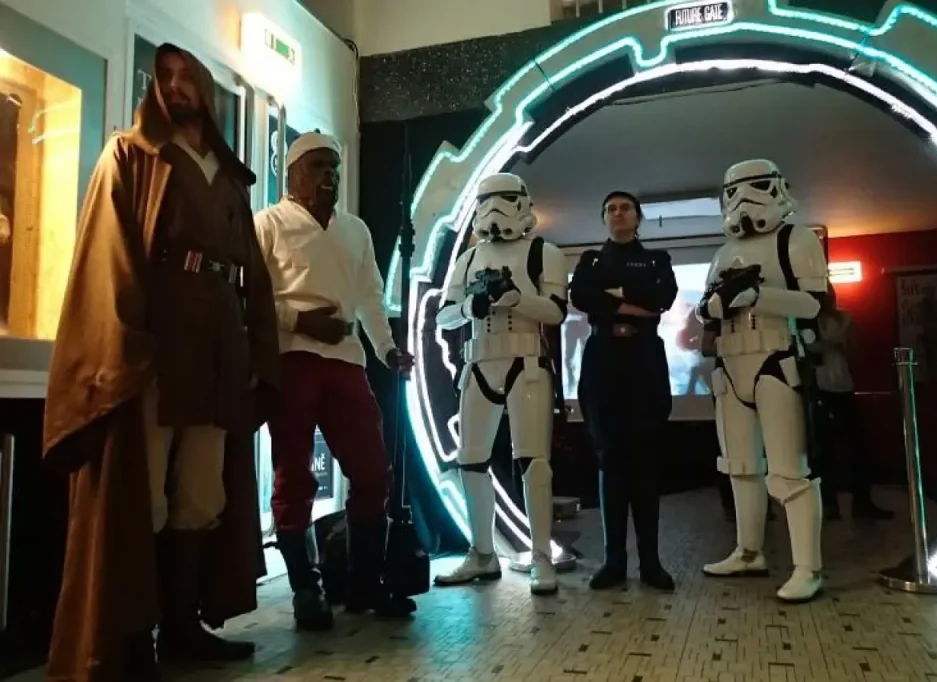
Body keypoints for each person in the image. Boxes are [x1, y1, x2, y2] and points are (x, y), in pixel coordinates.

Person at [41, 43, 280, 682]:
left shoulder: (228, 176)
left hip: (218, 351)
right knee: (140, 492)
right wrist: (127, 346)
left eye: (186, 77)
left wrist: (257, 348)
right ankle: (133, 639)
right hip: (158, 351)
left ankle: (181, 626)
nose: (175, 87)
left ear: (205, 89)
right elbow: (110, 255)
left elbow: (251, 272)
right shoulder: (131, 154)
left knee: (202, 492)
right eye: (165, 77)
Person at [254, 132, 417, 625]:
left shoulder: (355, 229)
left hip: (346, 361)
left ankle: (365, 584)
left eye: (335, 168)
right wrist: (300, 321)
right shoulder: (268, 224)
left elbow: (369, 296)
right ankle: (306, 588)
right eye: (318, 166)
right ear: (292, 174)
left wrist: (386, 349)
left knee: (372, 471)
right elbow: (250, 297)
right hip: (292, 358)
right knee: (294, 473)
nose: (330, 175)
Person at [433, 172, 568, 595]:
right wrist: (469, 308)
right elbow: (443, 316)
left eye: (504, 199)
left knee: (534, 462)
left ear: (522, 202)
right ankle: (482, 553)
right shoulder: (469, 259)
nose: (494, 209)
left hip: (526, 363)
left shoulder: (544, 253)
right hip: (478, 363)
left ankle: (541, 555)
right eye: (486, 200)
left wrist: (517, 299)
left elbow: (556, 311)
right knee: (470, 461)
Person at [698, 159, 826, 603]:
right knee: (741, 467)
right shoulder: (722, 253)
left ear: (776, 188)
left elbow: (813, 304)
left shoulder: (797, 239)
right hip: (731, 365)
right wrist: (716, 304)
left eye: (754, 187)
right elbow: (705, 308)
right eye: (734, 191)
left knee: (790, 471)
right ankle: (748, 551)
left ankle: (807, 567)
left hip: (776, 358)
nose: (743, 200)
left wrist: (758, 295)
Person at [569, 190, 676, 592]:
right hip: (603, 360)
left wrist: (611, 299)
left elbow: (661, 299)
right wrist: (634, 301)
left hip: (645, 358)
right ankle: (614, 562)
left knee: (646, 461)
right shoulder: (590, 261)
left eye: (625, 208)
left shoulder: (657, 260)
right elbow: (581, 296)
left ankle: (651, 563)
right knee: (609, 459)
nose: (618, 213)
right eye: (610, 209)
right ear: (604, 219)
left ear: (638, 217)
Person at [812, 285, 892, 520]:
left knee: (857, 446)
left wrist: (840, 346)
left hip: (843, 386)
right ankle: (829, 503)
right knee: (824, 449)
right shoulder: (806, 321)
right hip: (820, 387)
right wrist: (828, 346)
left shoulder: (845, 319)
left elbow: (853, 352)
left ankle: (861, 502)